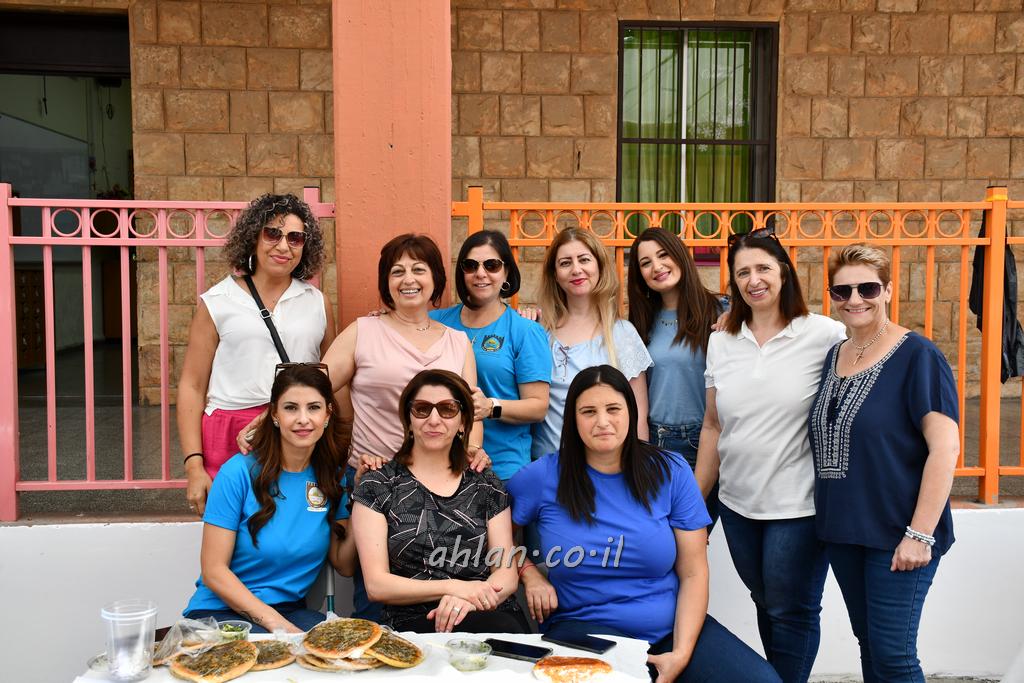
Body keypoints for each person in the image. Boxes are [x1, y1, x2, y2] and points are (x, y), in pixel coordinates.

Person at [508, 365, 781, 683]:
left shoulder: (671, 470)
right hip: (585, 631)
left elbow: (694, 572)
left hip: (669, 631)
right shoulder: (542, 477)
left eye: (613, 409)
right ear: (572, 419)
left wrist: (681, 654)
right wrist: (529, 574)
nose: (602, 422)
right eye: (588, 412)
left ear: (631, 412)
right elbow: (494, 535)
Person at [695, 227, 846, 683]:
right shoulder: (722, 339)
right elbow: (713, 425)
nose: (753, 279)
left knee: (791, 609)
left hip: (797, 505)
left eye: (763, 267)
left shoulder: (823, 334)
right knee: (766, 602)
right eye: (742, 272)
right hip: (737, 504)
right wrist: (696, 502)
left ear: (783, 271)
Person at [809, 244, 959, 683]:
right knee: (870, 647)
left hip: (899, 534)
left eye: (868, 288)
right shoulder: (834, 356)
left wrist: (919, 535)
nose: (854, 299)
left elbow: (945, 449)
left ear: (889, 290)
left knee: (894, 656)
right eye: (842, 291)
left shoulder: (918, 355)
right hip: (843, 532)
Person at [177, 193, 335, 516]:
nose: (283, 246)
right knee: (233, 531)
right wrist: (194, 465)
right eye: (272, 233)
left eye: (295, 237)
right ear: (253, 237)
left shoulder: (317, 302)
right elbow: (192, 385)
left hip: (298, 427)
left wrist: (341, 448)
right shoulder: (218, 301)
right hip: (229, 432)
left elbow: (332, 377)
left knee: (296, 525)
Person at [351, 370, 528, 634]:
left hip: (487, 610)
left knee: (506, 631)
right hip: (416, 621)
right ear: (408, 419)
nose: (434, 420)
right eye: (422, 409)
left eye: (447, 409)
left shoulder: (486, 483)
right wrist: (454, 588)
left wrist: (468, 601)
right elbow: (377, 585)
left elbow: (507, 574)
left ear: (463, 422)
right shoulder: (378, 485)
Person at [182, 364, 354, 633]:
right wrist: (279, 627)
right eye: (290, 408)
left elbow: (344, 564)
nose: (303, 419)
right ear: (274, 414)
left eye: (313, 407)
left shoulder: (332, 478)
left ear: (328, 414)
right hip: (220, 611)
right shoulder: (237, 473)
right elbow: (214, 571)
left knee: (347, 651)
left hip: (289, 611)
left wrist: (366, 499)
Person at [430, 230, 551, 480]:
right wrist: (383, 318)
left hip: (502, 469)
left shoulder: (525, 331)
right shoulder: (436, 322)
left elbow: (538, 406)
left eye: (492, 265)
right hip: (441, 466)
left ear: (506, 272)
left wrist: (491, 407)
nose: (480, 273)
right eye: (470, 265)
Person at [628, 227, 724, 525]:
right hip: (655, 441)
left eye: (663, 255)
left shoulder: (720, 312)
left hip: (704, 441)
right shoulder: (639, 321)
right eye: (645, 263)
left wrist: (737, 316)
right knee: (661, 540)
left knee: (692, 535)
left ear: (680, 255)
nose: (656, 267)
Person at [531, 228, 652, 460]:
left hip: (607, 466)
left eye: (584, 259)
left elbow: (638, 416)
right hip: (550, 467)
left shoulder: (621, 333)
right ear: (555, 274)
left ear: (599, 266)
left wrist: (638, 467)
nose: (576, 269)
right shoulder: (538, 333)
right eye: (565, 263)